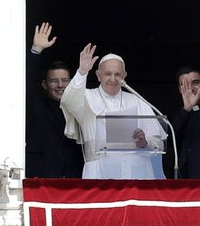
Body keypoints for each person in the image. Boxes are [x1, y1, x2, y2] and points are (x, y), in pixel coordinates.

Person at [60, 44, 167, 179]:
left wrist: (145, 142)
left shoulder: (137, 100)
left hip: (136, 174)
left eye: (117, 74)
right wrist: (82, 72)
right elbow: (68, 100)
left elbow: (158, 143)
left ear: (124, 75)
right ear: (98, 75)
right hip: (99, 174)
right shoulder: (86, 98)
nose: (113, 79)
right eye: (107, 74)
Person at [25, 22, 84, 178]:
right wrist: (36, 50)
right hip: (43, 177)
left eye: (65, 80)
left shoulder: (80, 108)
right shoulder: (37, 105)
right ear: (45, 84)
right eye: (54, 81)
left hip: (75, 178)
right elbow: (22, 83)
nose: (60, 85)